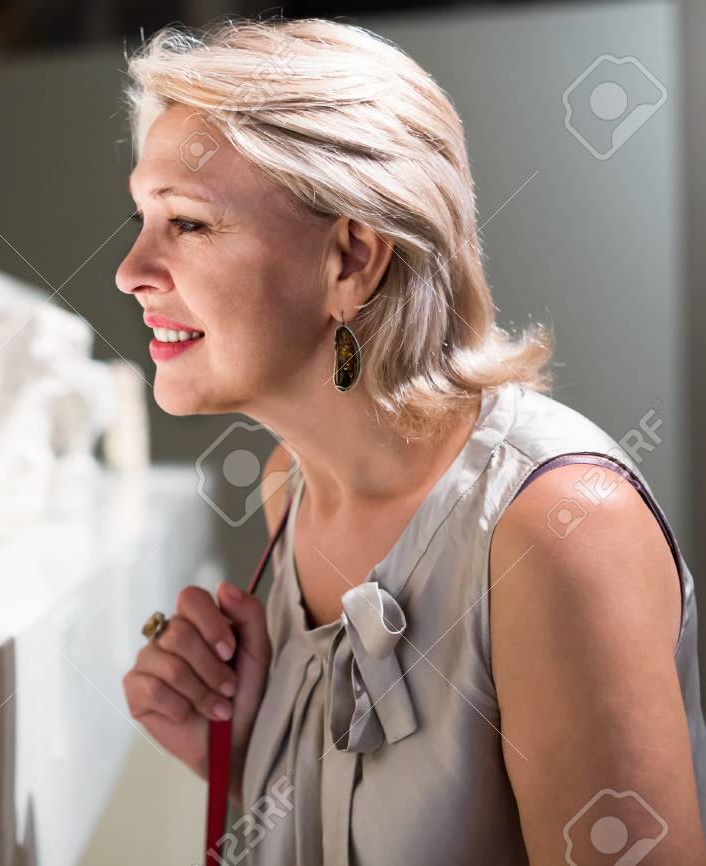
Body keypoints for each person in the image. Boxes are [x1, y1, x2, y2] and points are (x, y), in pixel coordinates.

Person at [117, 17, 706, 865]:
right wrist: (246, 758)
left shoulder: (561, 531)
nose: (130, 271)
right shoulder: (292, 487)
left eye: (188, 223)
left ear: (351, 258)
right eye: (143, 216)